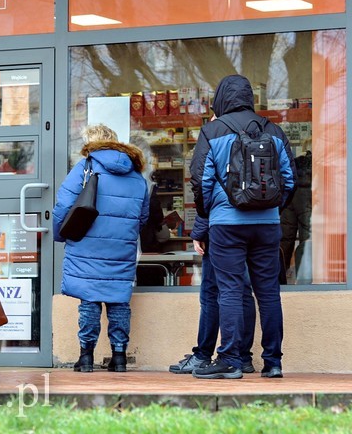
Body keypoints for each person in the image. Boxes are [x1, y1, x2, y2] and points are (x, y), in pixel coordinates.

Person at [189, 74, 295, 380]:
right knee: (269, 293)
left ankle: (232, 359)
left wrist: (207, 213)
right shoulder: (273, 130)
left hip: (226, 225)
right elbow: (289, 180)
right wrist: (272, 208)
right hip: (268, 224)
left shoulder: (212, 131)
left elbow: (200, 180)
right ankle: (273, 362)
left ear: (221, 98)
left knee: (231, 291)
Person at [53, 124, 149, 373]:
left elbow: (63, 206)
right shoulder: (136, 174)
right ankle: (119, 357)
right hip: (121, 246)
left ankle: (86, 357)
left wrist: (60, 234)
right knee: (119, 301)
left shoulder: (85, 167)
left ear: (90, 143)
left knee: (90, 299)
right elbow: (143, 215)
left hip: (87, 242)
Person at [168, 214, 258, 374]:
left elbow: (206, 201)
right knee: (243, 292)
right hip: (254, 227)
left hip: (220, 227)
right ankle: (243, 357)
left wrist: (199, 232)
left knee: (210, 294)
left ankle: (203, 355)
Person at [279, 140, 312, 284]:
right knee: (308, 241)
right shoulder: (320, 167)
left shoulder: (296, 165)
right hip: (309, 201)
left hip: (291, 200)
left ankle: (279, 278)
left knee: (285, 240)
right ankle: (305, 279)